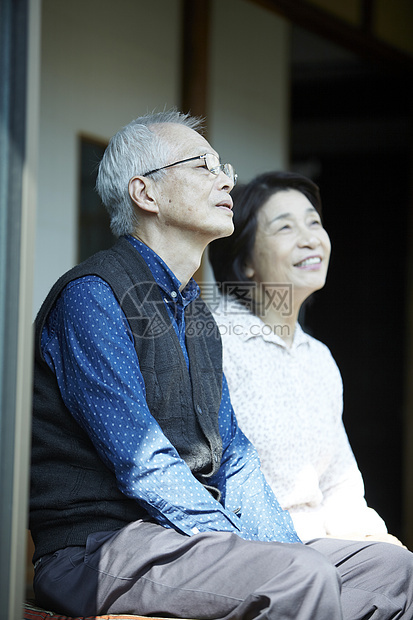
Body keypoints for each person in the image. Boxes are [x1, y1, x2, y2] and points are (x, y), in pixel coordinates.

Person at [30, 111, 413, 620]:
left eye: (223, 166)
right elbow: (141, 462)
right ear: (146, 194)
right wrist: (259, 551)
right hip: (99, 547)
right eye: (203, 165)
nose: (226, 178)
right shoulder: (94, 297)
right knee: (301, 576)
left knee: (391, 570)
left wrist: (280, 547)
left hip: (183, 541)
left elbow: (235, 456)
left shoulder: (197, 314)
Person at [208, 170, 403, 545]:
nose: (310, 239)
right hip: (257, 550)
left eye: (314, 223)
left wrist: (371, 538)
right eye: (285, 228)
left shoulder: (318, 358)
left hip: (323, 546)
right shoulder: (215, 344)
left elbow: (338, 481)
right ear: (245, 259)